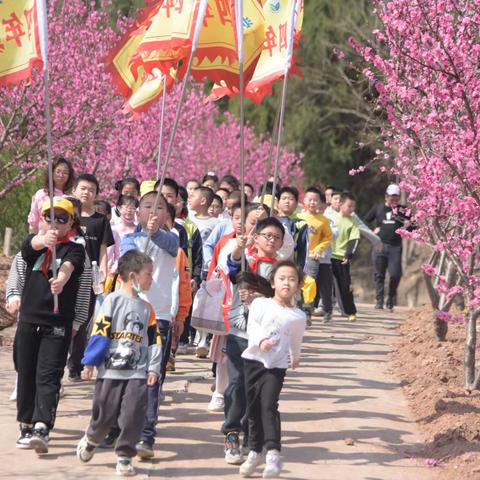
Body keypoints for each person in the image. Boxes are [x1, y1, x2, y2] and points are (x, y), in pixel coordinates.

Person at [77, 250, 162, 477]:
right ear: (133, 276)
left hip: (136, 372)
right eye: (148, 274)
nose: (151, 279)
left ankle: (125, 455)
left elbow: (154, 340)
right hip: (110, 371)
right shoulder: (111, 301)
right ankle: (93, 437)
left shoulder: (147, 308)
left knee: (133, 414)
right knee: (104, 415)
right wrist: (90, 362)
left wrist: (153, 367)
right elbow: (100, 332)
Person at [14, 197, 85, 453]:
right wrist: (43, 240)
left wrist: (62, 280)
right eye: (49, 217)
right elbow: (27, 248)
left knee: (48, 374)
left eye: (62, 218)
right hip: (29, 320)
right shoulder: (36, 244)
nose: (55, 222)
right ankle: (26, 421)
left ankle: (43, 425)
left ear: (71, 222)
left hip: (57, 322)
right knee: (26, 372)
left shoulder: (76, 248)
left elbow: (68, 266)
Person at [120, 190, 179, 459]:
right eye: (146, 206)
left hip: (160, 317)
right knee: (125, 373)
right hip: (130, 315)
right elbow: (126, 264)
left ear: (167, 213)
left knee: (152, 377)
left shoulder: (171, 238)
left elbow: (171, 246)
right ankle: (119, 426)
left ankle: (146, 434)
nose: (152, 212)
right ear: (137, 211)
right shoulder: (129, 239)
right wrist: (144, 238)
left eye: (159, 208)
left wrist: (155, 233)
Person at [223, 217, 285, 465]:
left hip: (268, 340)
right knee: (237, 385)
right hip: (241, 336)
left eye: (276, 237)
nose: (271, 240)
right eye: (266, 235)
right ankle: (231, 434)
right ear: (256, 237)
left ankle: (253, 439)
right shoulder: (248, 261)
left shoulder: (282, 269)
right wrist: (238, 247)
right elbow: (233, 265)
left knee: (257, 391)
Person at [239, 260, 306, 478]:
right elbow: (253, 327)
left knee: (268, 405)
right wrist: (261, 342)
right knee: (253, 409)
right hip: (253, 362)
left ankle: (273, 454)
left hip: (276, 366)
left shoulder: (298, 316)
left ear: (298, 285)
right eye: (282, 278)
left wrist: (295, 358)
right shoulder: (260, 304)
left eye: (292, 279)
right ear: (273, 283)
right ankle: (255, 451)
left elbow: (296, 340)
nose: (287, 282)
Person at [68, 173, 115, 381]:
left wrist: (103, 275)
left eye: (92, 190)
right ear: (74, 191)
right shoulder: (67, 217)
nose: (87, 193)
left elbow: (103, 249)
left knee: (84, 320)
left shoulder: (100, 221)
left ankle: (75, 365)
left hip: (90, 277)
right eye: (83, 188)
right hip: (67, 275)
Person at [364, 183, 412, 310]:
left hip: (395, 246)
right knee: (379, 274)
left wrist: (409, 225)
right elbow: (364, 221)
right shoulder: (378, 208)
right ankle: (379, 300)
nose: (394, 201)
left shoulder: (403, 210)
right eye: (391, 198)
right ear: (386, 197)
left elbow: (414, 227)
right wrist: (372, 230)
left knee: (395, 274)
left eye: (396, 199)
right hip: (380, 245)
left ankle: (391, 297)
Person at [298, 188, 334, 323]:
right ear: (304, 200)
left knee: (309, 282)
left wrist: (319, 249)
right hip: (299, 255)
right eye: (310, 199)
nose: (312, 202)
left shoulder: (323, 220)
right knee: (297, 282)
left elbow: (328, 237)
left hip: (313, 256)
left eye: (316, 200)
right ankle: (298, 309)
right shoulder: (299, 217)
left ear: (320, 203)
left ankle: (307, 311)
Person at [330, 192, 361, 322]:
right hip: (327, 257)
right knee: (324, 284)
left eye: (354, 206)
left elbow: (354, 239)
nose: (352, 209)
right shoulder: (331, 218)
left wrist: (348, 255)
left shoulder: (353, 221)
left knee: (345, 286)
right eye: (349, 206)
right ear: (341, 204)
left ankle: (350, 311)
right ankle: (316, 308)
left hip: (342, 258)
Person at [27, 156, 75, 234]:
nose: (61, 175)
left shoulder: (72, 197)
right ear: (51, 172)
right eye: (58, 171)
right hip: (43, 239)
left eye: (65, 173)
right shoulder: (41, 194)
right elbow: (33, 222)